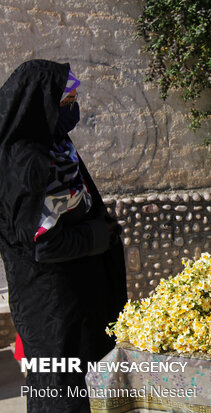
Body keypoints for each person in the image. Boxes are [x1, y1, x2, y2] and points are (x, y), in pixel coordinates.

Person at [0, 60, 127, 412]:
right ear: (42, 104)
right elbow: (43, 242)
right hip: (54, 306)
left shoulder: (54, 144)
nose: (74, 107)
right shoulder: (26, 163)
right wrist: (97, 236)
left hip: (79, 297)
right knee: (60, 393)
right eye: (67, 100)